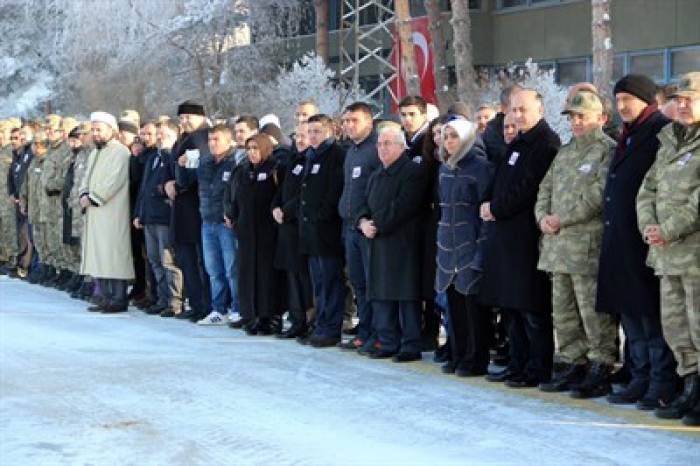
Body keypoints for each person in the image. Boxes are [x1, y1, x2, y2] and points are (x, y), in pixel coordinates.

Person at [598, 75, 677, 410]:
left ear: (648, 100)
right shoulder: (627, 135)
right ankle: (640, 376)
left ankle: (661, 382)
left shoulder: (661, 132)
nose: (622, 107)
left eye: (628, 99)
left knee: (652, 317)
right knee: (632, 315)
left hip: (647, 239)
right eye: (617, 101)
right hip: (622, 238)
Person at [535, 91, 618, 398]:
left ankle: (600, 365)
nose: (577, 122)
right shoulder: (566, 152)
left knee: (592, 312)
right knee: (564, 312)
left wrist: (561, 218)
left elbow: (598, 196)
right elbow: (545, 187)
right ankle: (573, 362)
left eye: (583, 116)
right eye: (572, 117)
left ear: (601, 118)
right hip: (557, 247)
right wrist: (542, 217)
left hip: (585, 247)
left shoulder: (607, 150)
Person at [480, 89, 561, 388]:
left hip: (526, 237)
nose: (517, 115)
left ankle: (537, 367)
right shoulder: (517, 143)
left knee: (531, 308)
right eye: (513, 109)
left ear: (539, 108)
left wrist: (496, 208)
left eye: (523, 109)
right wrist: (486, 202)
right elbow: (499, 179)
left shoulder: (546, 143)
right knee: (511, 308)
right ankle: (517, 363)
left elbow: (530, 188)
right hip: (504, 236)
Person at [636, 71, 700, 425]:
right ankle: (690, 389)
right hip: (667, 254)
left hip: (694, 254)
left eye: (692, 98)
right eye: (680, 99)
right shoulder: (669, 140)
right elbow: (647, 190)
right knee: (677, 328)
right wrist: (650, 227)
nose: (684, 105)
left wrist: (669, 229)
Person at [356, 123, 427, 361]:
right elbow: (363, 203)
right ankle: (387, 341)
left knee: (406, 296)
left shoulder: (412, 172)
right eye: (379, 144)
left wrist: (376, 224)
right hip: (377, 241)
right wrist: (363, 222)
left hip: (403, 243)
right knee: (381, 294)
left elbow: (404, 206)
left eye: (387, 143)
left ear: (400, 145)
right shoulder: (376, 174)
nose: (382, 148)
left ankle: (410, 344)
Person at [436, 117, 494, 376]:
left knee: (473, 306)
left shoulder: (481, 168)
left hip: (471, 244)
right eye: (446, 136)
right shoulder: (445, 169)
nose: (449, 141)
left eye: (454, 136)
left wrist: (481, 248)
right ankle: (458, 354)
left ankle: (476, 358)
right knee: (454, 304)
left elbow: (485, 212)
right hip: (449, 247)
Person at [296, 114, 346, 348]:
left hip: (327, 232)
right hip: (311, 232)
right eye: (310, 132)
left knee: (330, 281)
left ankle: (331, 327)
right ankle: (320, 323)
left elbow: (333, 192)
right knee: (318, 282)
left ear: (329, 132)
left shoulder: (335, 155)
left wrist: (319, 217)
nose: (312, 136)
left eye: (317, 132)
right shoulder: (310, 156)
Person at [79, 112, 135, 313]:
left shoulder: (120, 152)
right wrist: (83, 193)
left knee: (114, 254)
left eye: (99, 130)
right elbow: (86, 177)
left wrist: (93, 197)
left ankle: (118, 298)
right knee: (99, 254)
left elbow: (114, 180)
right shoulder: (95, 152)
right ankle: (104, 296)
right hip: (95, 212)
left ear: (111, 130)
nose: (95, 134)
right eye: (93, 130)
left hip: (111, 211)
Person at [230, 134, 284, 334]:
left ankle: (271, 316)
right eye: (249, 148)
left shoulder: (275, 169)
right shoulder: (244, 171)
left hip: (267, 233)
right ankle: (254, 314)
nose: (252, 152)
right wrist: (234, 218)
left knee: (267, 276)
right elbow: (237, 198)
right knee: (248, 275)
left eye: (256, 148)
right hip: (246, 233)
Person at [337, 102, 380, 351]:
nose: (349, 125)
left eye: (354, 120)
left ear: (368, 122)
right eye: (346, 121)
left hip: (367, 228)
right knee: (358, 283)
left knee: (371, 283)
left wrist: (366, 219)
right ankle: (364, 331)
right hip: (350, 227)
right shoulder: (352, 151)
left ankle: (376, 332)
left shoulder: (376, 148)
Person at [165, 101, 211, 322]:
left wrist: (179, 182)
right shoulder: (183, 138)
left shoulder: (201, 138)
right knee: (186, 257)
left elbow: (194, 171)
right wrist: (169, 183)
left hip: (193, 204)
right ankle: (196, 302)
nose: (184, 122)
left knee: (197, 259)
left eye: (188, 117)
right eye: (181, 118)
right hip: (182, 206)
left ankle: (203, 303)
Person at [134, 121, 184, 318]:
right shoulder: (152, 157)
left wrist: (166, 152)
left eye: (165, 134)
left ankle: (174, 301)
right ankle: (162, 299)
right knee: (155, 261)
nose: (161, 138)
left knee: (168, 261)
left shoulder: (172, 156)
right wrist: (139, 213)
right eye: (159, 134)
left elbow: (171, 179)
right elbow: (144, 188)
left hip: (164, 216)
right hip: (150, 215)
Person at [272, 122, 314, 338]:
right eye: (296, 135)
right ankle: (296, 319)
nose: (299, 140)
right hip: (286, 228)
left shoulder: (311, 160)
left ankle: (307, 320)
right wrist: (276, 208)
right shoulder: (292, 160)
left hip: (301, 226)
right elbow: (282, 189)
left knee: (304, 278)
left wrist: (286, 211)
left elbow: (303, 195)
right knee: (291, 276)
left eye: (304, 135)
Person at [192, 124, 237, 325]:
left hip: (225, 223)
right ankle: (218, 309)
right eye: (210, 139)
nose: (212, 143)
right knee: (213, 270)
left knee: (231, 269)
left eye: (216, 139)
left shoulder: (234, 162)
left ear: (229, 141)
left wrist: (231, 214)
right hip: (207, 221)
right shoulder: (205, 162)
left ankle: (237, 308)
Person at [482, 84, 522, 164]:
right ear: (503, 109)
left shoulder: (524, 123)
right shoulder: (493, 129)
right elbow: (505, 155)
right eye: (515, 107)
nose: (520, 112)